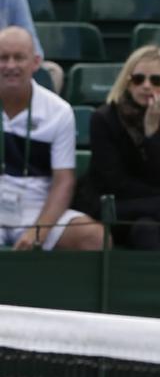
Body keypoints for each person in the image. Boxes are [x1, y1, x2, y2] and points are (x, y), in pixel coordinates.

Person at [85, 45, 160, 250]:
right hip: (112, 205)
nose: (146, 86)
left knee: (146, 229)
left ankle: (154, 282)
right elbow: (115, 183)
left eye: (156, 80)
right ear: (127, 82)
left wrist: (152, 131)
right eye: (138, 79)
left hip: (155, 210)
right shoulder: (105, 119)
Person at [0, 26, 103, 250]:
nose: (10, 65)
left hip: (36, 208)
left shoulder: (59, 111)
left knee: (95, 237)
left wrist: (39, 231)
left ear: (35, 62)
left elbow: (63, 180)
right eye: (3, 58)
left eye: (19, 58)